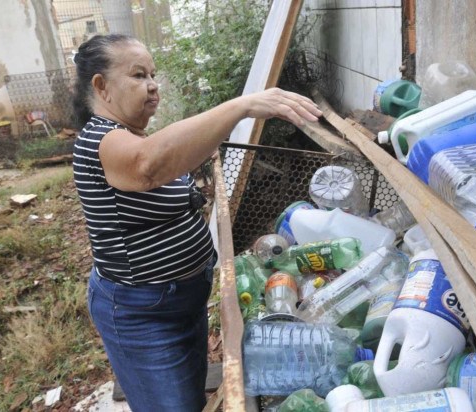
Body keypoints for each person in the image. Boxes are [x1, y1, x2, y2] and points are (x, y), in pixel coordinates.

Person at [71, 33, 321, 412]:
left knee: (188, 397)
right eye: (139, 75)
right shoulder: (99, 140)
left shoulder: (134, 133)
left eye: (153, 74)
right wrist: (243, 105)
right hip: (143, 314)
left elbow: (173, 160)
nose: (153, 85)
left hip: (183, 301)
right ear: (101, 86)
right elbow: (145, 167)